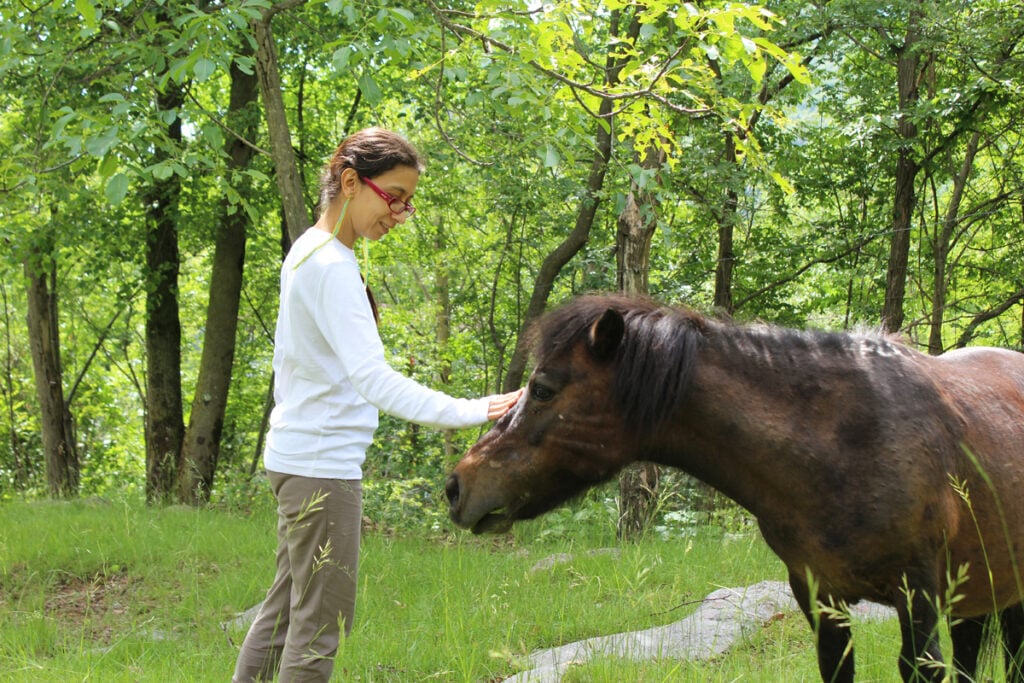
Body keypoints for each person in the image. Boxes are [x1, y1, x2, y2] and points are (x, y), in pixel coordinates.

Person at [232, 127, 522, 682]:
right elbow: (374, 381)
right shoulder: (331, 267)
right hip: (321, 469)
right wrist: (474, 409)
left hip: (296, 459)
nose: (401, 213)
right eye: (395, 197)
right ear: (350, 182)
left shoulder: (309, 250)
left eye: (409, 203)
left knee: (282, 614)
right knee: (318, 629)